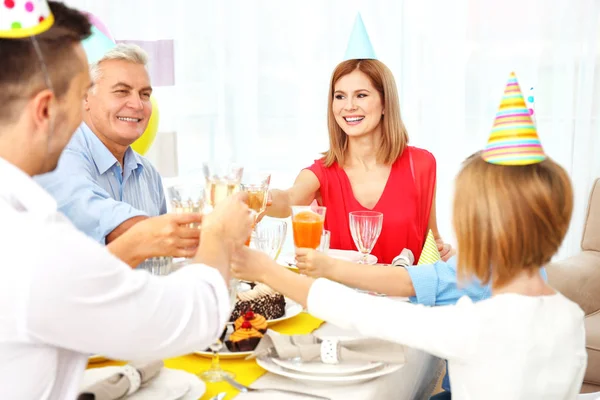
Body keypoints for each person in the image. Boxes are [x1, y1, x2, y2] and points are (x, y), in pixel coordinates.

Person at [231, 74, 588, 399]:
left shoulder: (470, 326)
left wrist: (264, 268)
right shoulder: (570, 317)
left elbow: (359, 309)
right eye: (340, 96)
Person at [0, 2, 253, 399]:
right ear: (47, 108)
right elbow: (185, 319)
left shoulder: (25, 214)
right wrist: (220, 232)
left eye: (144, 93)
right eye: (81, 93)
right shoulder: (33, 243)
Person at [266, 58, 452, 265]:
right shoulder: (321, 173)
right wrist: (257, 198)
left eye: (361, 95)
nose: (349, 106)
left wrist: (445, 254)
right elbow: (287, 199)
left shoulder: (420, 164)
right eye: (340, 96)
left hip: (407, 295)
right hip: (347, 297)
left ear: (385, 103)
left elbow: (432, 240)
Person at [34, 43, 199, 261]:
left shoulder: (149, 175)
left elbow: (161, 257)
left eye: (145, 94)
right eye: (122, 92)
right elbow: (93, 214)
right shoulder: (59, 155)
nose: (137, 104)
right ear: (84, 98)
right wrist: (205, 233)